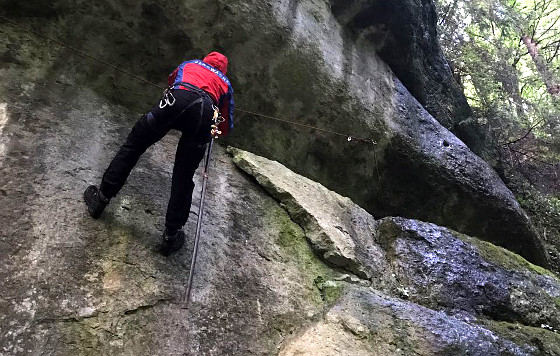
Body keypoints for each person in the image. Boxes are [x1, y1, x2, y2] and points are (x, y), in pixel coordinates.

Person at [84, 52, 234, 255]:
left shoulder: (191, 64)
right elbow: (225, 125)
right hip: (206, 113)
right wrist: (211, 131)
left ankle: (100, 199)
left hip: (178, 99)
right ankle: (171, 236)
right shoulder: (225, 84)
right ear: (223, 70)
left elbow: (172, 81)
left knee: (134, 144)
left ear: (205, 60)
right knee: (184, 175)